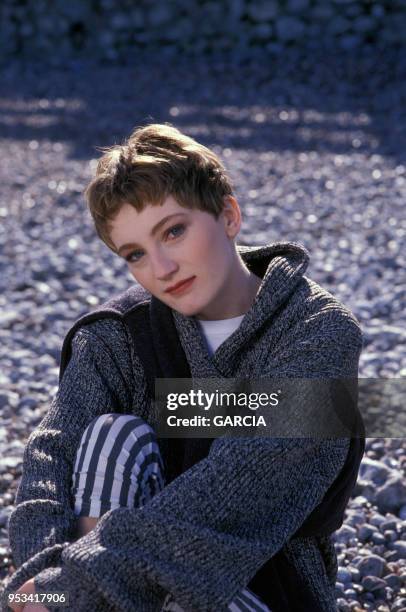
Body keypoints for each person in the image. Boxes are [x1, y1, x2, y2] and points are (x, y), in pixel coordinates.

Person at [2, 123, 364, 612]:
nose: (162, 268)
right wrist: (43, 580)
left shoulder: (318, 331)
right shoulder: (118, 334)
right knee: (112, 436)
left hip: (260, 587)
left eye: (173, 231)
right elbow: (54, 456)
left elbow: (237, 492)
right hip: (106, 586)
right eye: (135, 254)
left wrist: (78, 585)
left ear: (229, 215)